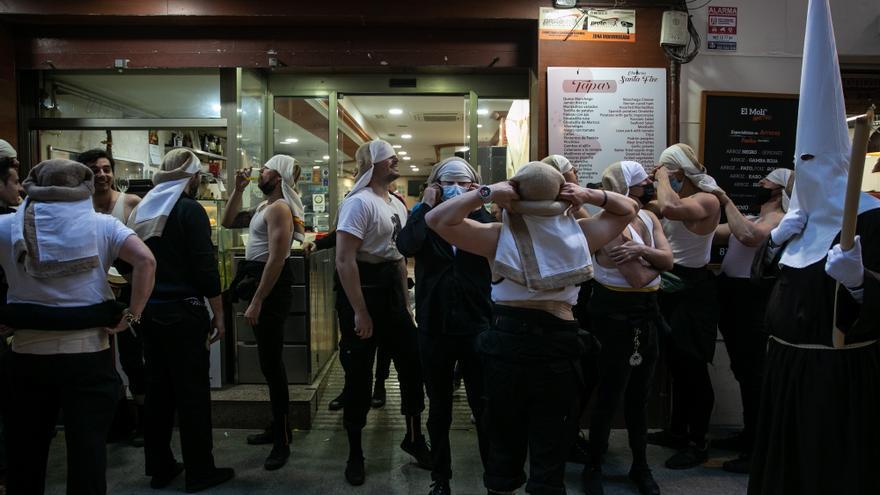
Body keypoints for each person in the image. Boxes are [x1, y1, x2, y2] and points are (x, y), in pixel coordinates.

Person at [426, 161, 639, 495]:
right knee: (551, 450)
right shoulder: (583, 234)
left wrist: (487, 193)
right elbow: (629, 208)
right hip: (560, 349)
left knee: (503, 450)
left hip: (507, 349)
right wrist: (587, 194)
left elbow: (435, 219)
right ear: (563, 198)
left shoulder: (497, 237)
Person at [749, 1, 880, 493]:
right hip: (786, 365)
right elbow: (763, 283)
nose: (808, 171)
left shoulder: (870, 220)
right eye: (801, 161)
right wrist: (775, 244)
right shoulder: (799, 219)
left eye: (816, 161)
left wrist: (860, 283)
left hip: (836, 375)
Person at [0, 158, 155, 495]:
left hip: (27, 355)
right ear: (82, 187)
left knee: (24, 456)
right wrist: (132, 315)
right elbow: (146, 260)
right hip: (87, 354)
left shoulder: (7, 225)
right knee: (87, 454)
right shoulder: (102, 225)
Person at [127, 148, 234, 492]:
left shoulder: (143, 209)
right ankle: (200, 471)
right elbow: (205, 267)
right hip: (183, 312)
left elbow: (129, 263)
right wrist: (218, 312)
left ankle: (160, 467)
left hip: (150, 312)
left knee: (158, 393)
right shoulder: (190, 211)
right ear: (192, 178)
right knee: (192, 394)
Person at [334, 140, 429, 485]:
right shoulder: (357, 204)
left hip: (392, 290)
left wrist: (406, 307)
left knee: (412, 366)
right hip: (364, 290)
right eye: (389, 157)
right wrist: (360, 312)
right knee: (358, 376)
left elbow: (399, 259)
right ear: (372, 164)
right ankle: (355, 452)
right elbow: (344, 259)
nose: (396, 160)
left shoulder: (397, 204)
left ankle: (415, 437)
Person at [396, 157, 492, 495]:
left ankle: (493, 477)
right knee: (439, 408)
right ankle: (441, 476)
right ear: (436, 184)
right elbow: (406, 245)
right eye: (448, 182)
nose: (456, 188)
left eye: (463, 183)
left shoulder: (482, 218)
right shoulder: (424, 217)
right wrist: (425, 204)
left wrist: (474, 200)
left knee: (484, 405)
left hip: (477, 324)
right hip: (435, 325)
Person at [582, 161, 672, 495]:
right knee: (609, 393)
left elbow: (669, 259)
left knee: (640, 395)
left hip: (646, 317)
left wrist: (648, 254)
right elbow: (638, 278)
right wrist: (658, 265)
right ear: (625, 187)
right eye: (643, 179)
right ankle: (594, 464)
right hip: (613, 320)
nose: (650, 182)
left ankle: (641, 465)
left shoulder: (648, 218)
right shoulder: (604, 226)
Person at [222, 154, 303, 471]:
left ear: (278, 176)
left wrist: (257, 300)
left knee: (272, 363)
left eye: (267, 168)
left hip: (269, 288)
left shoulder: (280, 209)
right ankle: (276, 428)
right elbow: (228, 222)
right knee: (269, 364)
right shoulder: (263, 207)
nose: (261, 172)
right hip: (261, 284)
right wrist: (238, 188)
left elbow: (277, 259)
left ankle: (282, 439)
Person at [644, 143, 721, 469]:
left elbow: (671, 209)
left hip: (693, 290)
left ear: (678, 173)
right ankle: (677, 430)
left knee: (693, 368)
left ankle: (697, 441)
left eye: (669, 174)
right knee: (676, 365)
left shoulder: (707, 199)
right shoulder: (676, 197)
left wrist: (662, 178)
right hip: (671, 286)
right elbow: (658, 207)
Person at [710, 168, 791, 474]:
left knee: (754, 374)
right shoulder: (753, 216)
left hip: (753, 300)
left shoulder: (781, 219)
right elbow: (714, 231)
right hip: (733, 296)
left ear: (779, 190)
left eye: (765, 182)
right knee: (743, 371)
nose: (759, 184)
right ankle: (748, 435)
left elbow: (749, 236)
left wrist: (723, 198)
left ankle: (756, 448)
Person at [78, 147, 147, 447]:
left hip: (131, 292)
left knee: (135, 360)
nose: (102, 174)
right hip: (95, 295)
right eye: (94, 169)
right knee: (102, 361)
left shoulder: (131, 203)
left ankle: (145, 423)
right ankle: (119, 421)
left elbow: (148, 254)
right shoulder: (79, 209)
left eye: (106, 168)